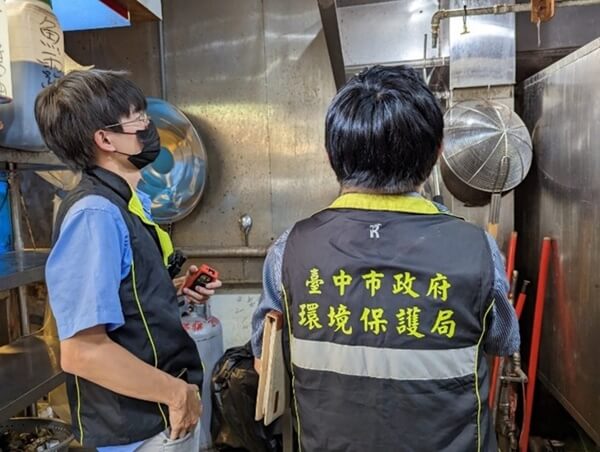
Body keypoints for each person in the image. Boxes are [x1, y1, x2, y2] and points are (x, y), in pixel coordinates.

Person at [250, 65, 520, 452]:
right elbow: (503, 340)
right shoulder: (477, 248)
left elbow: (265, 364)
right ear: (437, 152)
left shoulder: (288, 250)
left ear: (331, 156)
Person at [35, 69, 222, 451]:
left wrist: (176, 291)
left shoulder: (124, 204)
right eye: (137, 117)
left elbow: (125, 299)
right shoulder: (95, 214)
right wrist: (176, 394)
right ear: (105, 139)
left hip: (157, 419)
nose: (148, 125)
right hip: (138, 430)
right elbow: (83, 351)